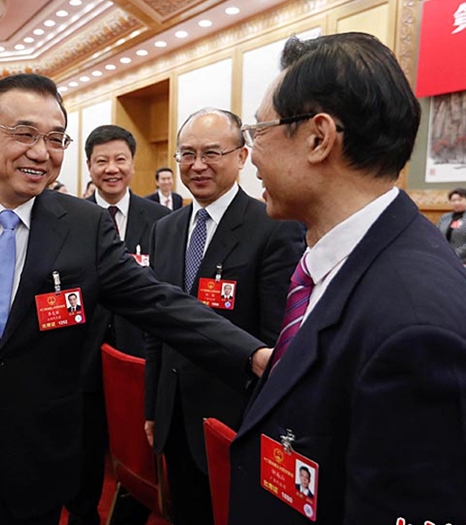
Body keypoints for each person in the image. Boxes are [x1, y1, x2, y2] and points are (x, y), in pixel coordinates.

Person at [0, 73, 269, 525]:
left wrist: (252, 353)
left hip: (37, 455)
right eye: (25, 134)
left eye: (55, 139)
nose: (41, 152)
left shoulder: (84, 225)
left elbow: (158, 302)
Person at [220, 33, 466, 524]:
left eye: (259, 131)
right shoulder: (335, 262)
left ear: (319, 138)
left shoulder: (412, 327)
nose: (253, 155)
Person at [143, 108, 304, 525]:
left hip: (233, 417)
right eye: (187, 154)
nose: (198, 165)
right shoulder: (165, 229)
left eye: (211, 153)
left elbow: (275, 339)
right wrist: (152, 408)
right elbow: (155, 325)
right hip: (174, 414)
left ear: (241, 156)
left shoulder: (272, 227)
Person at [68, 124, 170, 525]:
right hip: (83, 357)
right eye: (102, 161)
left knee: (137, 456)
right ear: (89, 166)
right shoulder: (69, 218)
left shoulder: (160, 219)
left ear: (133, 163)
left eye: (120, 160)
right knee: (84, 453)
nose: (111, 169)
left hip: (138, 355)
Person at [437, 187, 466, 264]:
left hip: (463, 260)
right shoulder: (445, 217)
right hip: (443, 258)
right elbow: (436, 234)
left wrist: (454, 254)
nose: (456, 203)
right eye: (453, 200)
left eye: (460, 200)